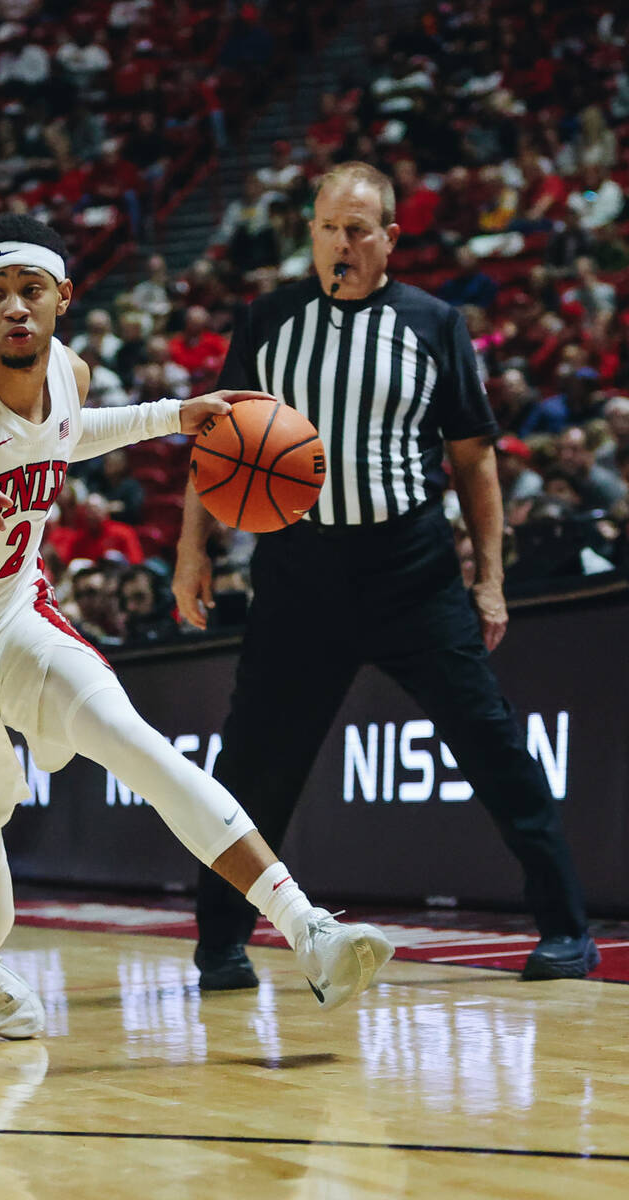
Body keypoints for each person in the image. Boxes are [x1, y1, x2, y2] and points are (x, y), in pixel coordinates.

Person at [0, 213, 393, 1038]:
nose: (15, 307)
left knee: (136, 742)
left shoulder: (72, 371)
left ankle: (309, 929)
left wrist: (176, 414)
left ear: (63, 296)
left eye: (30, 290)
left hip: (13, 617)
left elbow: (66, 436)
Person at [173, 161, 598, 991]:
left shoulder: (435, 324)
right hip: (298, 573)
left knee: (494, 745)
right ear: (311, 233)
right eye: (330, 227)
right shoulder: (267, 321)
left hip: (412, 568)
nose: (343, 243)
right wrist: (193, 553)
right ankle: (220, 943)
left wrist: (491, 581)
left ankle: (565, 928)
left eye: (360, 229)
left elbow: (475, 464)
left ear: (390, 239)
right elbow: (215, 445)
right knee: (254, 764)